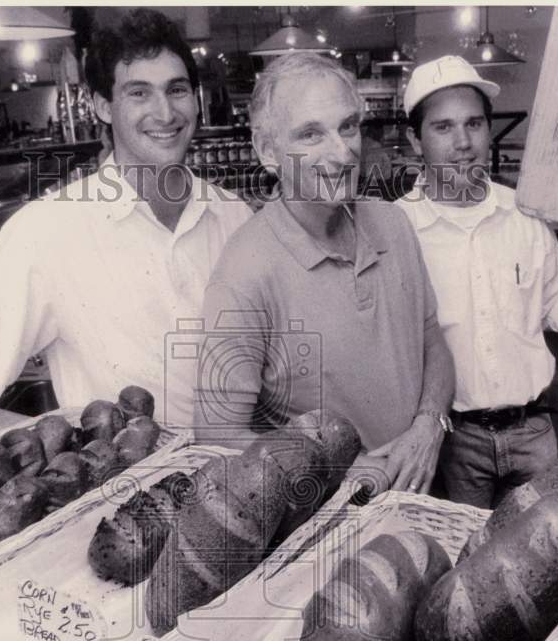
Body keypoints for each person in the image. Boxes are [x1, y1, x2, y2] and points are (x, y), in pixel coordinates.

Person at [0, 8, 252, 481]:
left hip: (241, 476)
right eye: (138, 93)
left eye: (177, 89)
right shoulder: (46, 231)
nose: (165, 113)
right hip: (125, 495)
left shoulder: (233, 216)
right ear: (102, 106)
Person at [394, 55, 558, 508]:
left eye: (474, 124)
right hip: (452, 440)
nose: (463, 143)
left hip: (534, 431)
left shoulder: (524, 214)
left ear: (489, 130)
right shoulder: (397, 230)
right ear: (415, 140)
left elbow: (555, 307)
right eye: (443, 128)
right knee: (462, 562)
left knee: (544, 554)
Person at [193, 53, 454, 493]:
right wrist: (338, 472)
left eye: (348, 126)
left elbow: (433, 341)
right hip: (327, 522)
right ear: (267, 151)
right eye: (311, 134)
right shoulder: (244, 271)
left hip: (424, 491)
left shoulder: (393, 223)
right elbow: (216, 436)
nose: (342, 151)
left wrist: (431, 423)